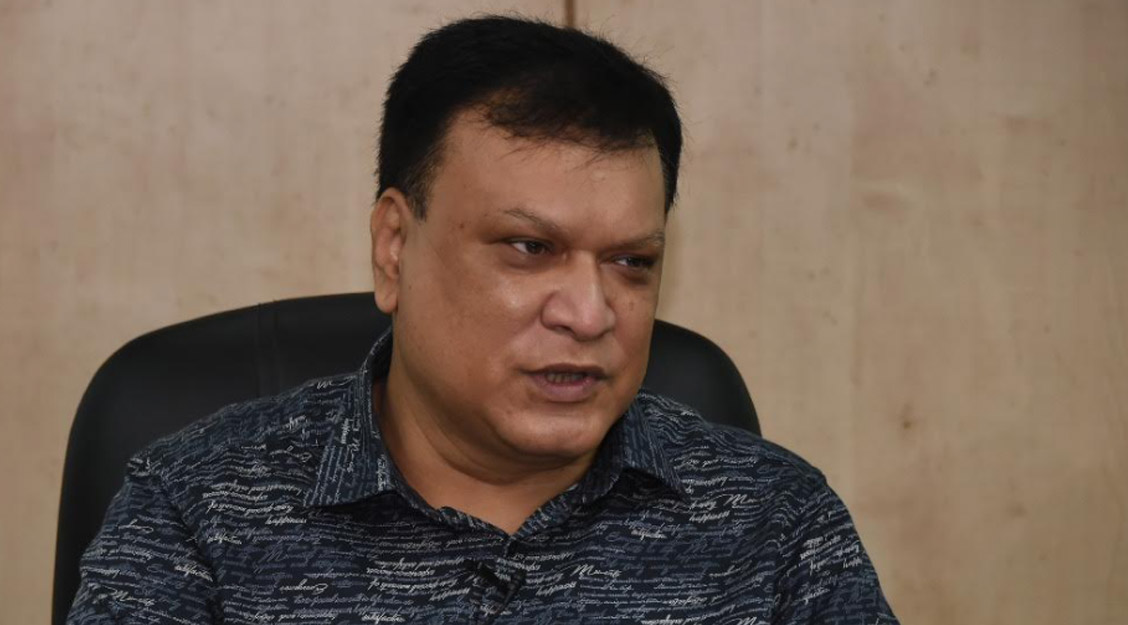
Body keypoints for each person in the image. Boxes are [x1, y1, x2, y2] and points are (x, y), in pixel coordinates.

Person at [68, 15, 899, 624]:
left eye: (631, 262)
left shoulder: (776, 522)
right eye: (530, 248)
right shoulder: (198, 511)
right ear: (394, 247)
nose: (589, 313)